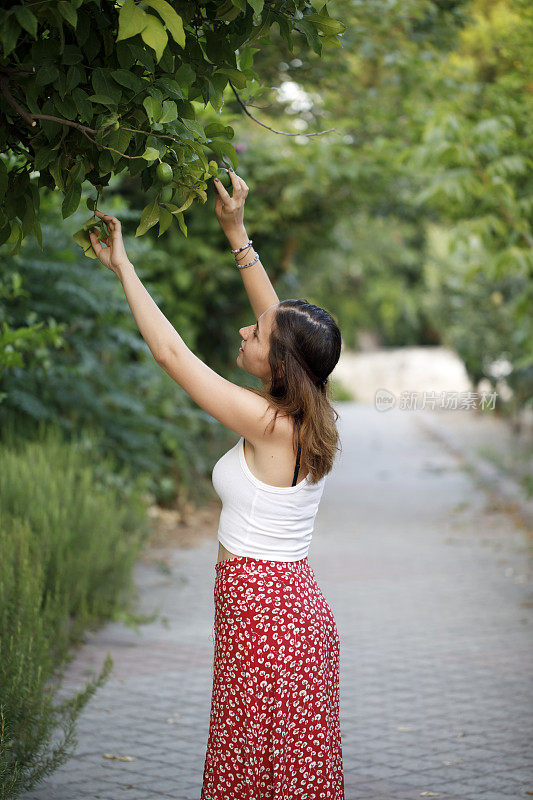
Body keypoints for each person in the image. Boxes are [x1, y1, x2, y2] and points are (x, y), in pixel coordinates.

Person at [88, 168, 344, 799]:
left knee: (263, 783)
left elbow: (174, 357)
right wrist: (236, 232)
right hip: (274, 619)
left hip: (270, 627)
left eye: (254, 335)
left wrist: (124, 267)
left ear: (278, 363)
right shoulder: (303, 403)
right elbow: (276, 319)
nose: (244, 330)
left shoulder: (270, 422)